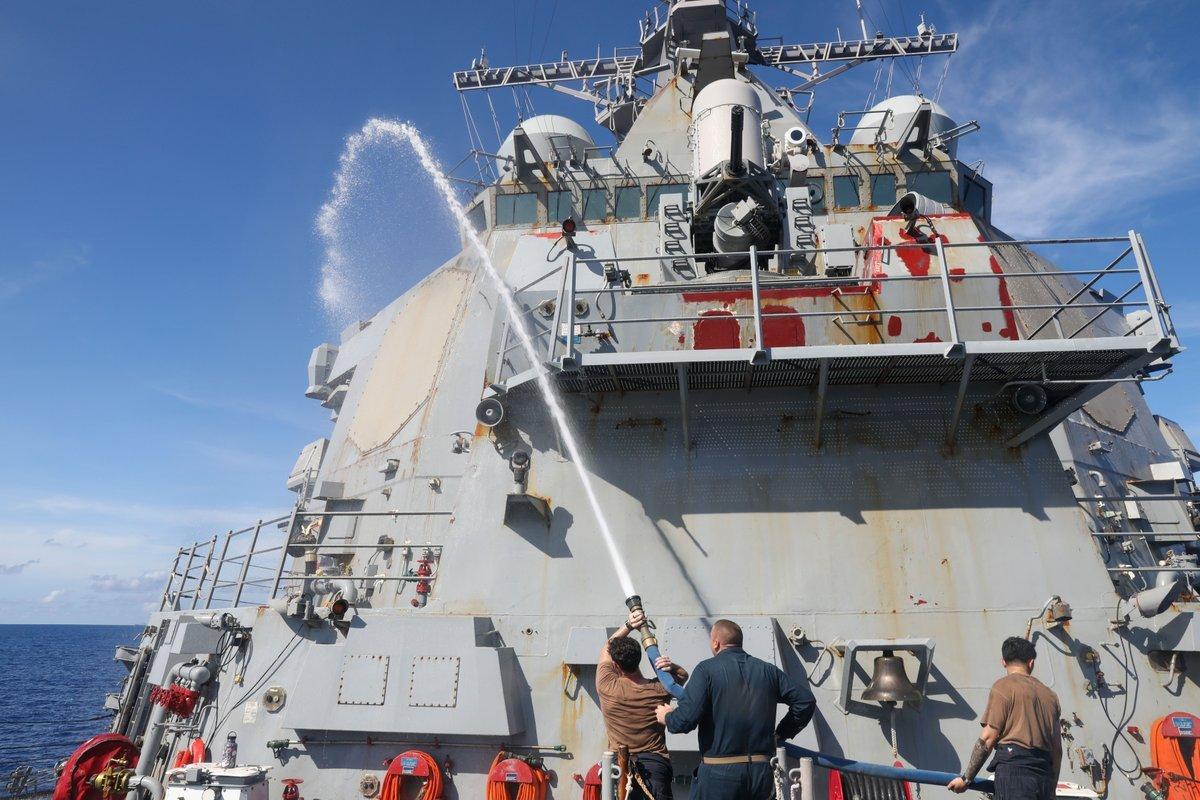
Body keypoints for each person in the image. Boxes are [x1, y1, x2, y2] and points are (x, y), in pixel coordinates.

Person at [654, 619, 815, 800]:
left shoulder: (706, 670)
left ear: (716, 643)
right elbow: (805, 701)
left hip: (718, 774)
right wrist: (781, 733)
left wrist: (668, 717)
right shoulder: (768, 671)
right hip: (761, 775)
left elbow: (684, 721)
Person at [948, 636, 1062, 799]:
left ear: (1003, 662)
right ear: (1031, 663)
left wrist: (966, 779)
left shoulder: (1003, 686)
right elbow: (1057, 750)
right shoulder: (1050, 696)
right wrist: (1051, 790)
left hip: (1015, 774)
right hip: (1043, 776)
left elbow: (988, 738)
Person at [598, 607, 689, 800]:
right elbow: (682, 675)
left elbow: (607, 648)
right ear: (639, 659)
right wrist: (669, 666)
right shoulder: (659, 689)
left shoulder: (606, 684)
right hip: (655, 765)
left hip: (617, 767)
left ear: (615, 666)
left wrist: (630, 624)